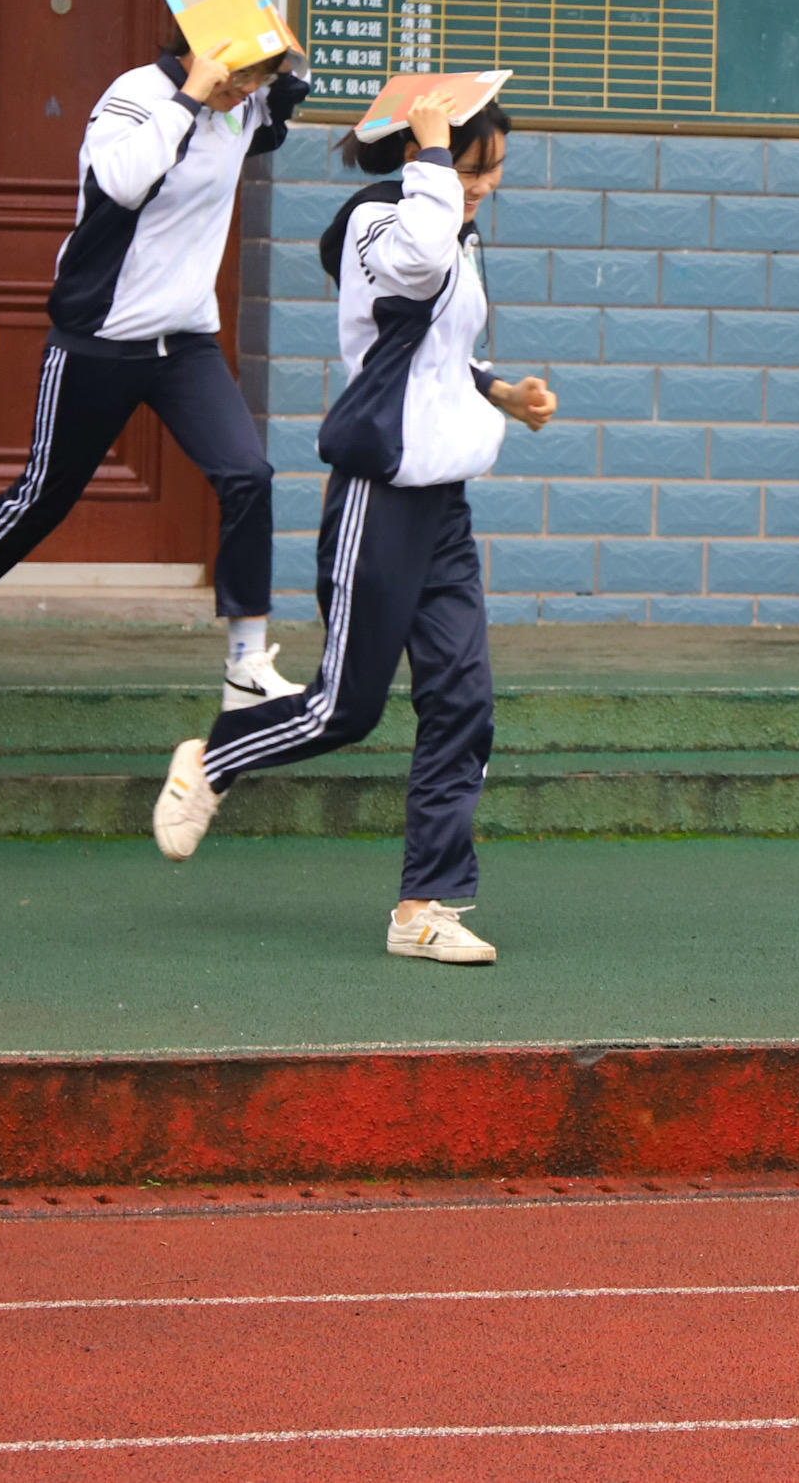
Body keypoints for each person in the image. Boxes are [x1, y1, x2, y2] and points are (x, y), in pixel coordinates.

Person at [148, 87, 555, 966]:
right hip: (377, 494)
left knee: (464, 701)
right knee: (346, 707)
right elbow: (412, 268)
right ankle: (216, 755)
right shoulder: (380, 222)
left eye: (491, 171)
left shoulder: (447, 218)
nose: (481, 185)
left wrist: (501, 392)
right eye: (473, 165)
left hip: (443, 502)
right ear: (429, 152)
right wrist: (434, 157)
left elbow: (438, 349)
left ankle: (427, 904)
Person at [0, 23, 313, 698]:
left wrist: (271, 52)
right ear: (197, 54)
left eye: (255, 80)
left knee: (248, 475)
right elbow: (119, 180)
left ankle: (245, 662)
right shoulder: (136, 95)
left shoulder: (246, 106)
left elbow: (291, 98)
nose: (247, 93)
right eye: (240, 77)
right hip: (101, 334)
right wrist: (193, 96)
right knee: (42, 496)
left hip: (185, 342)